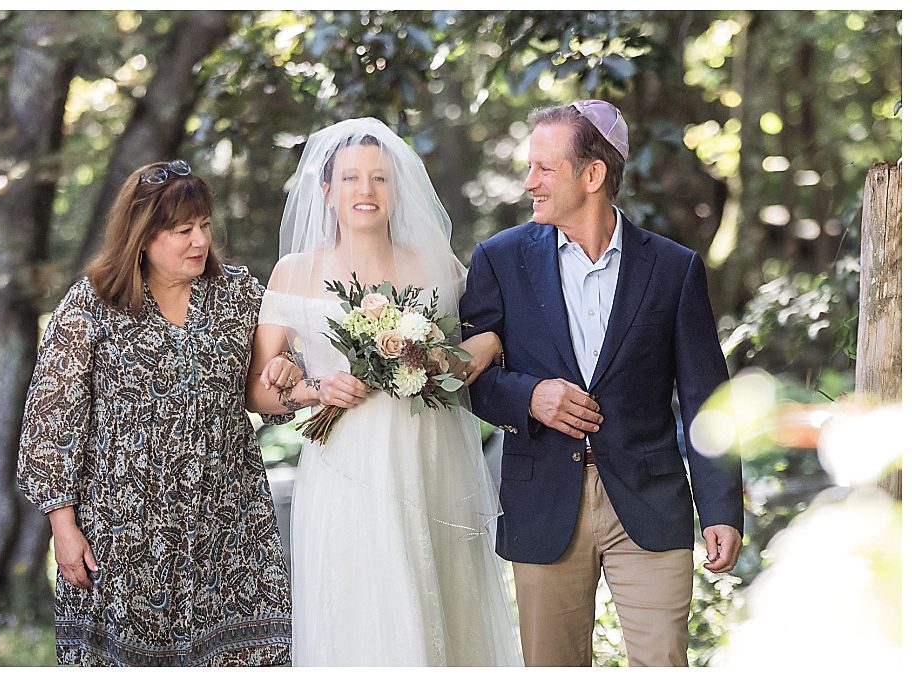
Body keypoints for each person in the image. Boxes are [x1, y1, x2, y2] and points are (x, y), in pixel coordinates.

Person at [460, 100, 742, 667]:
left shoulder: (673, 267)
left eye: (544, 168)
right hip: (542, 503)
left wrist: (720, 509)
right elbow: (469, 380)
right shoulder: (499, 260)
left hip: (649, 499)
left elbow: (707, 399)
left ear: (593, 175)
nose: (528, 182)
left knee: (663, 660)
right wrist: (530, 398)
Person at [252, 118, 519, 666]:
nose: (365, 192)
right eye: (350, 179)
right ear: (326, 191)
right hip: (346, 465)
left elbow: (469, 353)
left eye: (379, 178)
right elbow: (259, 390)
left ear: (398, 189)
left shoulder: (439, 268)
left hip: (430, 459)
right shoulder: (293, 273)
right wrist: (311, 389)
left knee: (438, 595)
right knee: (358, 600)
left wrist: (467, 349)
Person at [15, 161, 297, 666]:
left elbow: (272, 377)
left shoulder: (238, 294)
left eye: (205, 226)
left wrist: (286, 370)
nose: (200, 242)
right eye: (183, 231)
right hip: (125, 528)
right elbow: (51, 420)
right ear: (142, 236)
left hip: (230, 523)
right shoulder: (92, 305)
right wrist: (63, 525)